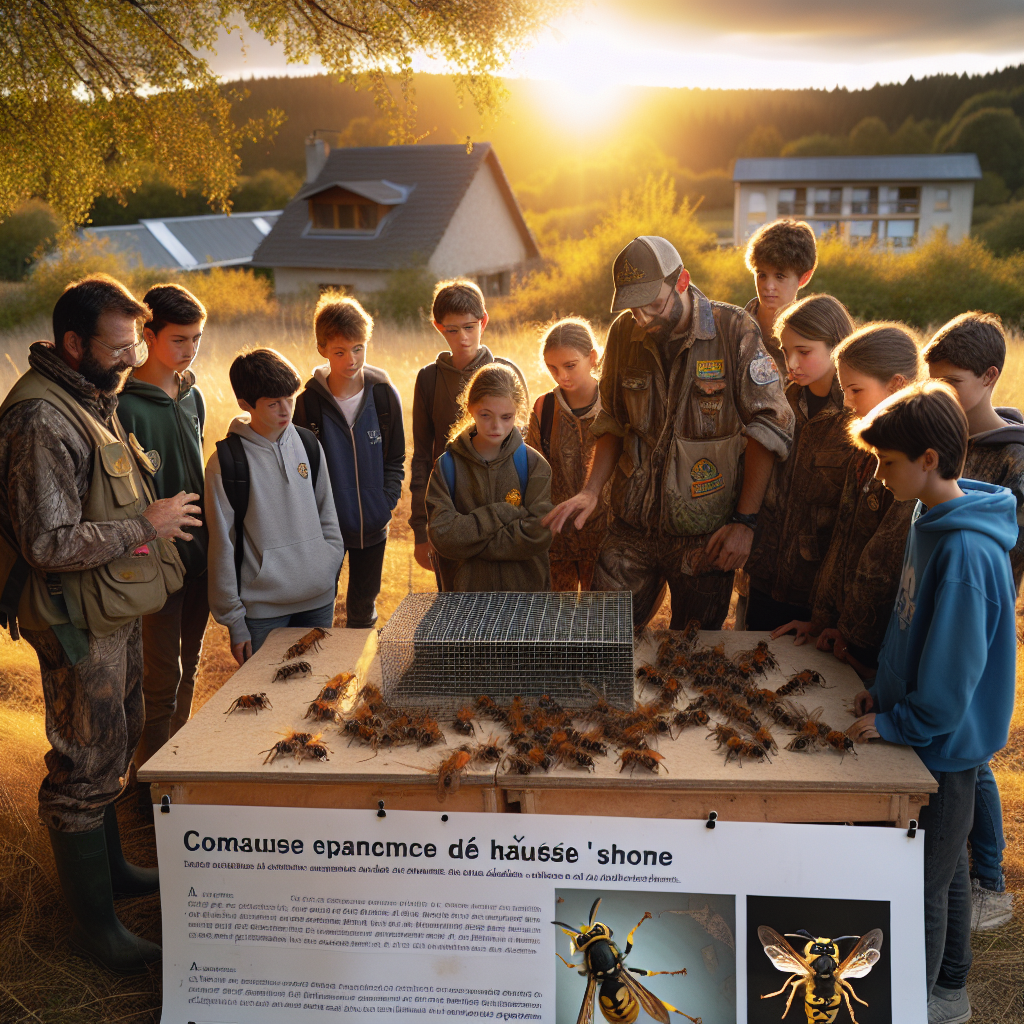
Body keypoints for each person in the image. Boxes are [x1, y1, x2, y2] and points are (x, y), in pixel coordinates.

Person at [0, 274, 201, 972]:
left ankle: (114, 875)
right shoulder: (38, 419)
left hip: (112, 608)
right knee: (84, 768)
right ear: (73, 343)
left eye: (133, 343)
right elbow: (47, 542)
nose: (130, 356)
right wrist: (144, 524)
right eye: (118, 347)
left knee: (112, 749)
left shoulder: (91, 395)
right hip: (74, 619)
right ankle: (97, 934)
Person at [846, 380, 1016, 1024]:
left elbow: (950, 680)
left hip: (946, 746)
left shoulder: (967, 551)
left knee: (924, 884)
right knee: (937, 876)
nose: (879, 475)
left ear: (930, 459)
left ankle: (925, 1002)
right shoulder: (928, 513)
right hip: (921, 728)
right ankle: (949, 988)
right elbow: (908, 621)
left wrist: (902, 720)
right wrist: (885, 692)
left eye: (887, 463)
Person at [545, 235, 794, 630]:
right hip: (630, 529)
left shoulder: (733, 331)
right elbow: (611, 420)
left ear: (682, 282)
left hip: (704, 536)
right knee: (598, 641)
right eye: (632, 306)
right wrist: (591, 490)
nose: (642, 317)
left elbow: (770, 424)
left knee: (691, 659)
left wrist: (745, 524)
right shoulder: (624, 333)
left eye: (653, 304)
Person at [924, 311, 1024, 934]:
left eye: (952, 383)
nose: (942, 395)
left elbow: (1005, 563)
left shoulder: (1012, 463)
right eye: (932, 383)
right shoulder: (950, 436)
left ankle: (990, 880)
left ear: (989, 378)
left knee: (972, 757)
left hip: (977, 623)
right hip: (940, 615)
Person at [773, 323, 922, 677]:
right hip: (840, 637)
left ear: (897, 385)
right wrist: (822, 619)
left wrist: (857, 645)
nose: (847, 402)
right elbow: (843, 544)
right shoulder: (866, 447)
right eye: (843, 390)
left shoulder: (910, 461)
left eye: (855, 390)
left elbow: (884, 565)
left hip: (873, 654)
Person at [116, 283, 209, 779]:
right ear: (148, 335)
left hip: (201, 555)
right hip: (155, 559)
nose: (190, 349)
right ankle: (148, 781)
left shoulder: (191, 394)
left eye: (196, 338)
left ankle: (179, 769)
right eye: (179, 339)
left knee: (189, 666)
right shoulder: (123, 405)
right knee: (159, 678)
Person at [205, 348, 344, 662]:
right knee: (265, 699)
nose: (286, 410)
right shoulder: (225, 463)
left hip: (318, 601)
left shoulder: (309, 444)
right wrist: (235, 622)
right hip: (262, 612)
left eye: (290, 399)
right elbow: (222, 547)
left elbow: (328, 515)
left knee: (315, 688)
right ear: (245, 404)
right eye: (273, 403)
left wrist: (327, 564)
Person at [745, 294, 856, 630]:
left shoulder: (858, 416)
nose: (790, 362)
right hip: (764, 577)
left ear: (838, 346)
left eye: (804, 351)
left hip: (818, 592)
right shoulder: (779, 402)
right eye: (785, 350)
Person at [293, 294, 404, 629]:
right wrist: (315, 517)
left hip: (374, 524)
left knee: (363, 609)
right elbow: (302, 471)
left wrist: (385, 502)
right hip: (326, 529)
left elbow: (395, 456)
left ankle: (358, 675)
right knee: (320, 607)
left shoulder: (384, 395)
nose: (351, 359)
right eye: (340, 351)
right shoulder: (307, 405)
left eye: (358, 348)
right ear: (322, 348)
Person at [410, 279, 528, 591]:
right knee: (457, 606)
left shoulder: (506, 373)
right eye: (452, 329)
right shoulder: (428, 379)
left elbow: (525, 454)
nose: (463, 337)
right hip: (450, 514)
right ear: (438, 327)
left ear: (484, 321)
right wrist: (422, 529)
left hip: (503, 513)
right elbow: (423, 458)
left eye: (470, 327)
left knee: (506, 607)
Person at [426, 364, 552, 592]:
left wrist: (470, 544)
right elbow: (442, 535)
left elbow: (539, 533)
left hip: (524, 603)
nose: (497, 426)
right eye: (486, 415)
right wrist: (501, 513)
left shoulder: (534, 465)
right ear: (471, 408)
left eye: (507, 417)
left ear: (517, 412)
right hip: (465, 605)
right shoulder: (447, 467)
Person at [525, 317, 609, 591]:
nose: (562, 375)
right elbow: (531, 475)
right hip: (557, 542)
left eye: (570, 365)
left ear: (593, 357)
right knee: (556, 626)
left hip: (606, 543)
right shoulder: (543, 408)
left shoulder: (614, 404)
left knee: (602, 625)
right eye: (553, 368)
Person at [744, 218, 818, 374]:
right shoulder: (732, 328)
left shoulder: (815, 337)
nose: (768, 286)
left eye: (780, 276)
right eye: (761, 274)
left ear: (804, 278)